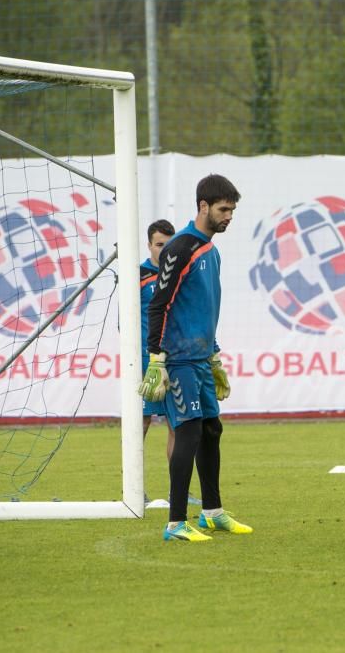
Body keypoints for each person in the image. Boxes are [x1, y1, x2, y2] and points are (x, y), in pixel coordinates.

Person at [139, 174, 252, 542]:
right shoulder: (180, 248)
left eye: (232, 210)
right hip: (179, 360)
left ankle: (212, 512)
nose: (228, 216)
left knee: (211, 431)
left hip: (202, 359)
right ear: (203, 206)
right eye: (223, 209)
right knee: (186, 434)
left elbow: (204, 308)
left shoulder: (212, 251)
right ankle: (174, 523)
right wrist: (156, 357)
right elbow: (160, 303)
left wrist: (214, 355)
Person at [140, 220, 177, 462]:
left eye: (168, 245)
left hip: (176, 357)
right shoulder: (138, 276)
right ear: (149, 245)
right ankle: (131, 489)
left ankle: (178, 491)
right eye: (159, 245)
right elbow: (124, 320)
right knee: (140, 422)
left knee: (178, 423)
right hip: (147, 358)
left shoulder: (180, 272)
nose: (163, 250)